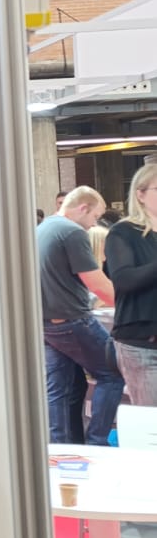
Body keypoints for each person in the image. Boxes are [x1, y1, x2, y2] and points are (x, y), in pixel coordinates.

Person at [37, 187, 123, 446]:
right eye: (95, 217)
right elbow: (97, 284)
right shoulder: (72, 232)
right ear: (83, 208)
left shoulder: (42, 228)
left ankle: (61, 448)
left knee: (59, 389)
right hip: (73, 320)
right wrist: (130, 304)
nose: (94, 224)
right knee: (112, 374)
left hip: (46, 324)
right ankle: (97, 442)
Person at [106, 162, 157, 406]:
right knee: (152, 420)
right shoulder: (123, 232)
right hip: (142, 343)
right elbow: (125, 280)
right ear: (140, 194)